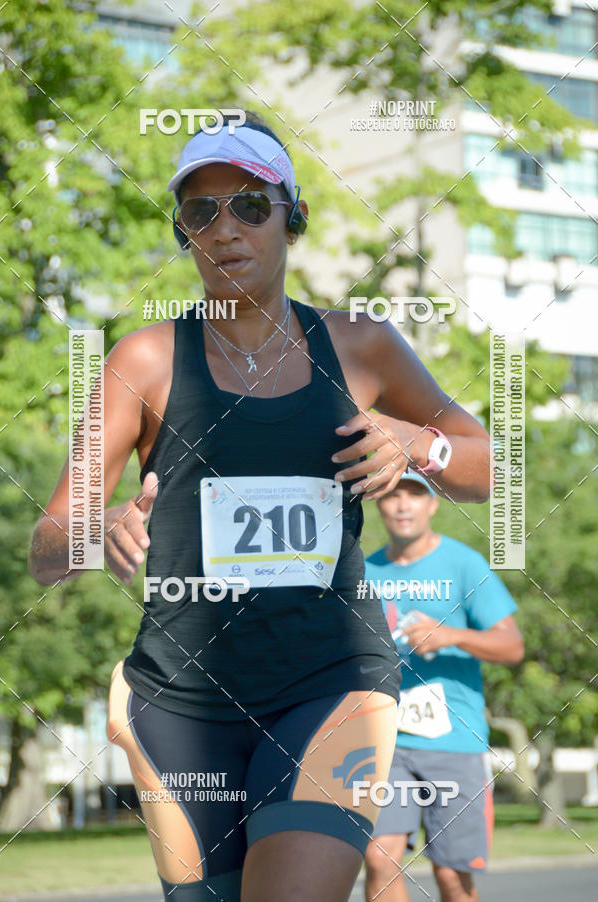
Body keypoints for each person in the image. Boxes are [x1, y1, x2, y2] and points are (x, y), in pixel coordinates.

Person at [29, 110, 491, 902]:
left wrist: (418, 445)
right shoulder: (145, 357)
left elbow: (486, 469)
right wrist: (91, 530)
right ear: (183, 232)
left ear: (292, 217)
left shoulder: (361, 345)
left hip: (333, 680)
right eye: (201, 211)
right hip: (180, 699)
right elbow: (45, 544)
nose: (225, 229)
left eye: (250, 205)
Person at [363, 471, 524, 902]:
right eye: (392, 494)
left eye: (414, 494)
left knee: (451, 877)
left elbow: (511, 646)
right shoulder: (364, 571)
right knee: (380, 858)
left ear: (433, 504)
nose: (402, 504)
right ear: (378, 503)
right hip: (384, 741)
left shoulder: (464, 563)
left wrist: (452, 635)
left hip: (455, 741)